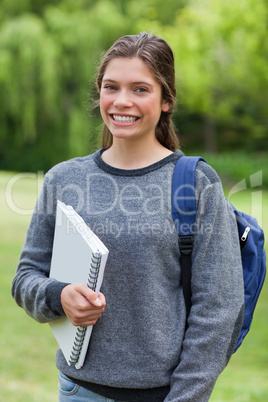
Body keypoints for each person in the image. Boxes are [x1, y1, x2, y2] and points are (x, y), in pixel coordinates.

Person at [12, 32, 244, 402]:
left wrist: (184, 397)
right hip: (78, 391)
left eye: (140, 89)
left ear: (166, 101)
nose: (122, 101)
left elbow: (219, 308)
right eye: (111, 87)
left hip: (163, 395)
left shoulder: (197, 184)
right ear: (99, 94)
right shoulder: (64, 179)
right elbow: (25, 278)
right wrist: (59, 295)